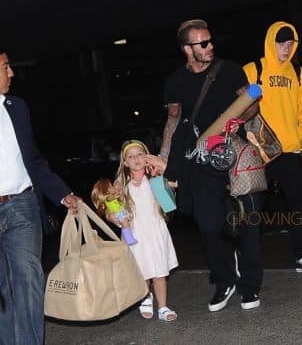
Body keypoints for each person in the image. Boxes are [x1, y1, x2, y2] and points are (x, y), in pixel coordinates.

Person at [161, 19, 263, 311]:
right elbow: (173, 119)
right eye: (202, 43)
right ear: (187, 49)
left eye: (210, 41)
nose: (210, 46)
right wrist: (165, 157)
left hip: (235, 155)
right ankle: (225, 279)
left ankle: (250, 286)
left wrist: (238, 120)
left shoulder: (229, 70)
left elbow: (253, 103)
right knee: (207, 226)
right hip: (200, 159)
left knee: (249, 223)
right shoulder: (175, 81)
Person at [0, 48, 79, 345]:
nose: (12, 74)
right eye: (6, 67)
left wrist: (61, 193)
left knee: (30, 282)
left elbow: (33, 159)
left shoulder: (16, 107)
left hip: (22, 205)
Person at [243, 21, 302, 275]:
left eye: (290, 43)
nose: (286, 48)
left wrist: (301, 133)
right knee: (253, 207)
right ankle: (248, 262)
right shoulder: (253, 70)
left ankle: (301, 255)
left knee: (297, 205)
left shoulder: (299, 74)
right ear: (270, 41)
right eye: (281, 43)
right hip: (259, 152)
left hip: (289, 151)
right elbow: (236, 106)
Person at [108, 140, 179, 321]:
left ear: (147, 157)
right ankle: (146, 297)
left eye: (140, 154)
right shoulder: (120, 185)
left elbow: (169, 202)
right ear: (125, 163)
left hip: (155, 230)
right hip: (135, 233)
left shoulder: (155, 178)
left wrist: (161, 175)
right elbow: (111, 208)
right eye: (130, 157)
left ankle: (163, 307)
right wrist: (112, 216)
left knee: (159, 271)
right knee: (142, 270)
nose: (136, 159)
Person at [91, 177, 138, 246]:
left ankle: (129, 237)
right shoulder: (109, 198)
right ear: (107, 190)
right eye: (111, 186)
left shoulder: (110, 198)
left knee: (126, 223)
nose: (113, 187)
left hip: (120, 211)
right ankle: (129, 238)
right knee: (125, 223)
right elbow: (113, 198)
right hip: (119, 212)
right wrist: (118, 193)